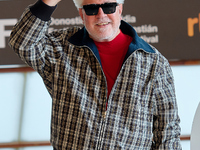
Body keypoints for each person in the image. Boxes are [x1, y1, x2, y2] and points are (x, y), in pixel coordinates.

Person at [9, 0, 182, 149]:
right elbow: (22, 42)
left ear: (120, 9)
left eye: (108, 7)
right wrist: (48, 2)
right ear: (81, 13)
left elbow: (168, 133)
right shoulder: (61, 49)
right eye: (91, 8)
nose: (101, 15)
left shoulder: (154, 63)